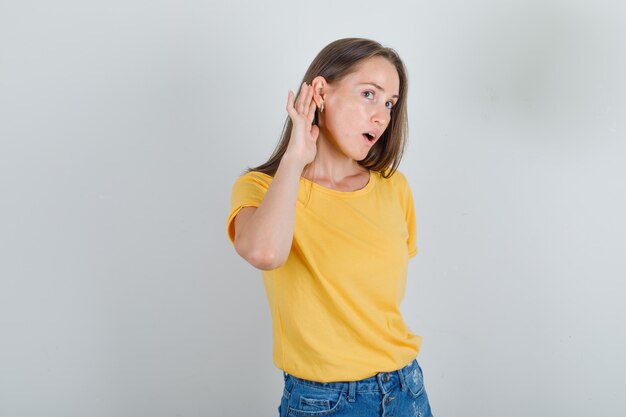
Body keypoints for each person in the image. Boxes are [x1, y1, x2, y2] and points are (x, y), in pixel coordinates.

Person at [226, 38, 434, 417]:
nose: (382, 116)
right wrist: (295, 158)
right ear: (321, 92)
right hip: (324, 403)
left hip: (407, 390)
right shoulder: (260, 188)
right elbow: (264, 253)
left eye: (390, 103)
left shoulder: (394, 188)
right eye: (369, 94)